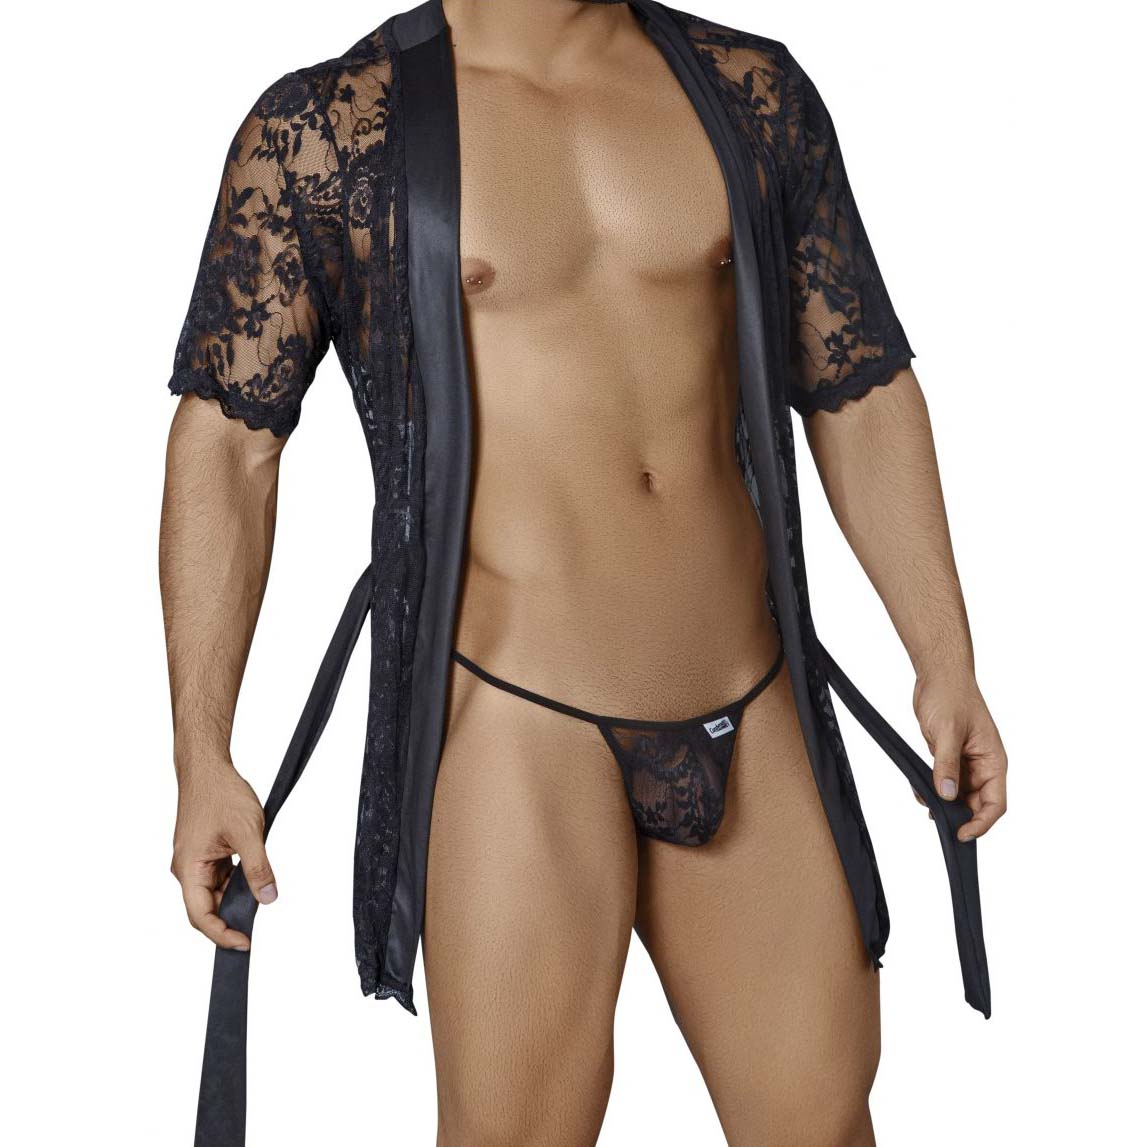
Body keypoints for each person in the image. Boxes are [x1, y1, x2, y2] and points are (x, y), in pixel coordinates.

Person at [159, 1, 1007, 1143]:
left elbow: (857, 385)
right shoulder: (330, 128)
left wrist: (944, 656)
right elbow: (228, 443)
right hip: (515, 720)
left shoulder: (748, 89)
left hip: (746, 691)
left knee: (821, 1121)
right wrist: (201, 749)